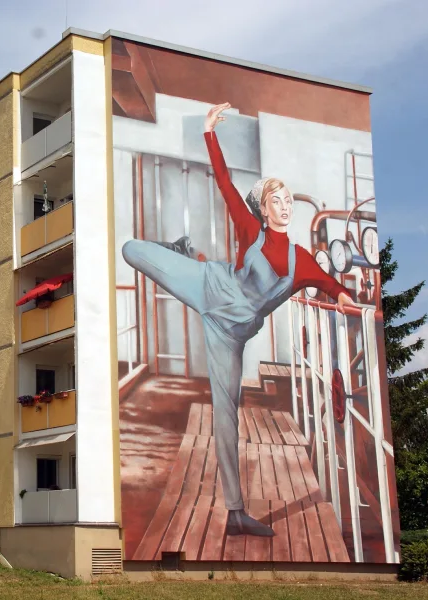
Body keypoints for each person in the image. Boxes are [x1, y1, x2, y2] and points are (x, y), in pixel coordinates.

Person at [122, 102, 356, 537]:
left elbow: (327, 283)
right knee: (131, 250)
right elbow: (225, 182)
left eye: (288, 200)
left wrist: (345, 298)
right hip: (209, 285)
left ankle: (235, 514)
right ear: (263, 209)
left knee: (226, 416)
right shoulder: (252, 231)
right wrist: (209, 132)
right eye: (276, 201)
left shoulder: (300, 260)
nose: (285, 206)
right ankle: (177, 252)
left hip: (227, 336)